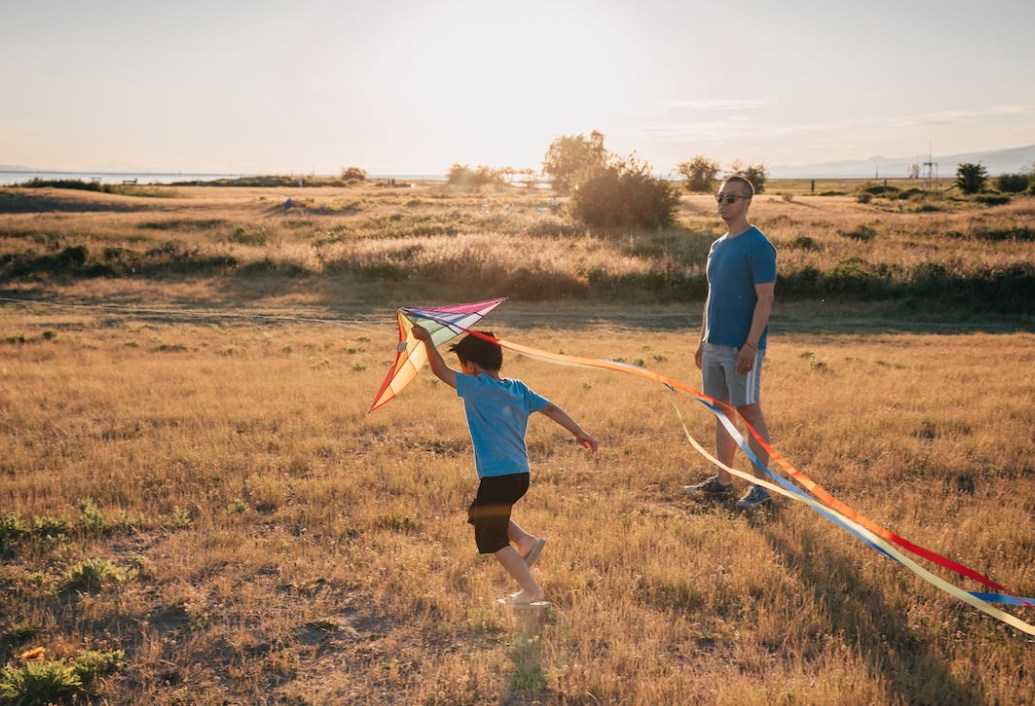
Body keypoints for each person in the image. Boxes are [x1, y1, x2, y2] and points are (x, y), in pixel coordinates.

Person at [412, 324, 598, 605]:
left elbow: (440, 371)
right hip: (519, 474)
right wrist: (578, 431)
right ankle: (526, 541)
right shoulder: (518, 388)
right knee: (479, 511)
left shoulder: (476, 387)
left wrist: (426, 339)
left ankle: (531, 590)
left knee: (492, 537)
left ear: (470, 366)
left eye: (462, 365)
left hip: (498, 476)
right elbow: (551, 408)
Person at [685, 176, 777, 509]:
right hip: (713, 346)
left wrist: (751, 346)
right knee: (721, 412)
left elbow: (765, 298)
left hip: (742, 347)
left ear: (747, 203)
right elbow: (712, 296)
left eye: (731, 198)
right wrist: (701, 341)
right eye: (720, 197)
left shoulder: (758, 245)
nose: (723, 203)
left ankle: (761, 489)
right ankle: (723, 482)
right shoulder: (717, 246)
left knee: (749, 412)